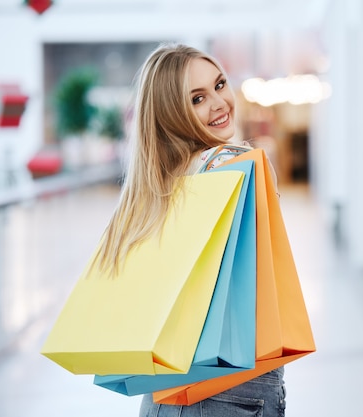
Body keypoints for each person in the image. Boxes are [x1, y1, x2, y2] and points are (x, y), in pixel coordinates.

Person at [90, 43, 286, 417]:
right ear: (170, 113)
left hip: (164, 393)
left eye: (220, 84)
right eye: (197, 98)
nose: (219, 102)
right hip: (230, 391)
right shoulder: (236, 162)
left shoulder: (151, 190)